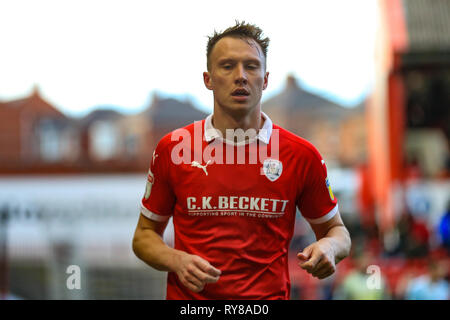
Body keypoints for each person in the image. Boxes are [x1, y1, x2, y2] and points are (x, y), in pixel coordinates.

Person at [132, 21, 351, 300]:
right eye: (227, 66)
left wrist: (329, 248)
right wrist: (177, 260)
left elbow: (337, 232)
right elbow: (143, 237)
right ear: (208, 79)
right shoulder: (174, 149)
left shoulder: (301, 155)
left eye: (251, 66)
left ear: (266, 79)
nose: (241, 76)